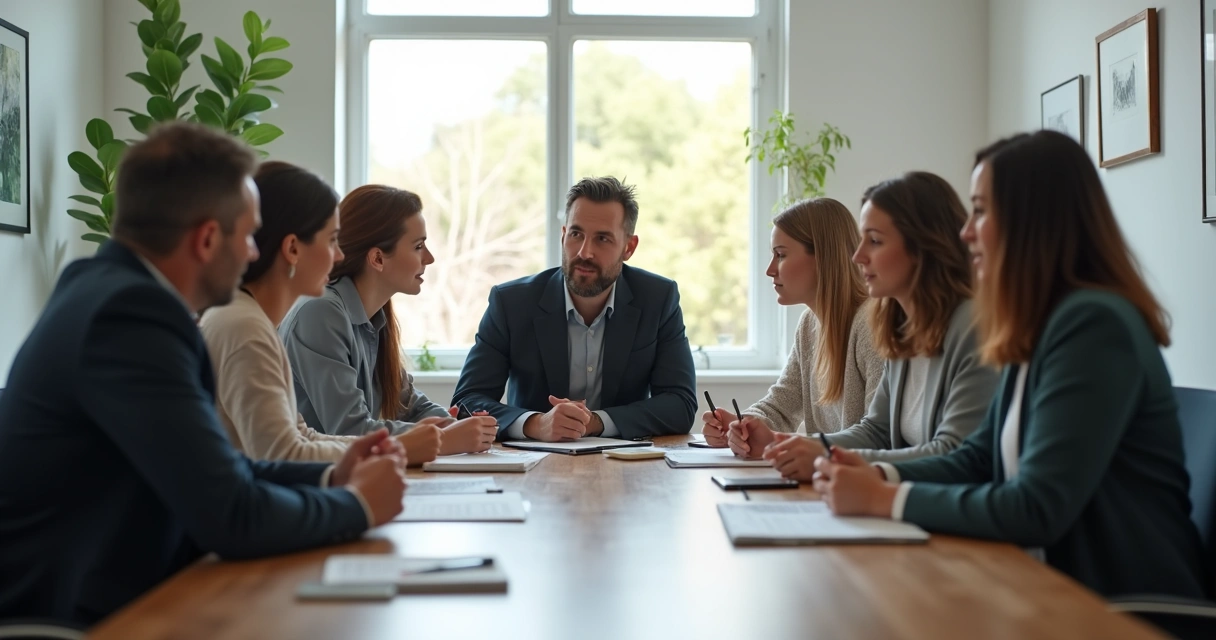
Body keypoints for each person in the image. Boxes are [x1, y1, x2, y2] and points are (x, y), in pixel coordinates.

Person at [0, 123, 406, 624]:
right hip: (85, 618)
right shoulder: (129, 317)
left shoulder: (113, 292)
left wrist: (331, 475)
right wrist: (359, 506)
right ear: (209, 238)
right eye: (248, 235)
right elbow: (231, 514)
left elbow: (220, 470)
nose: (256, 252)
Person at [810, 130, 1208, 599]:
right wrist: (877, 474)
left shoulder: (1094, 325)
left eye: (980, 211)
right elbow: (977, 457)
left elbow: (1037, 507)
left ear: (1031, 219)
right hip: (1041, 582)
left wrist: (887, 498)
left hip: (1117, 604)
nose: (966, 231)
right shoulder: (1039, 324)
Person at [200, 163, 480, 465]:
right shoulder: (246, 327)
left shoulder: (252, 321)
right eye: (332, 240)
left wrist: (424, 438)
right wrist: (406, 447)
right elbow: (284, 454)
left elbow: (300, 438)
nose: (340, 255)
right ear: (293, 249)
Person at [746, 172, 999, 474]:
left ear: (923, 247)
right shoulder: (899, 324)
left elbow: (955, 453)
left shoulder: (972, 327)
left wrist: (825, 458)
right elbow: (876, 431)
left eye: (875, 241)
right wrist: (789, 444)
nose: (857, 256)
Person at [451, 176, 697, 441]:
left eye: (602, 239)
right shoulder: (511, 303)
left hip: (625, 465)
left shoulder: (658, 299)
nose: (584, 252)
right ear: (563, 234)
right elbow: (466, 402)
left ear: (629, 247)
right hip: (533, 467)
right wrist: (535, 424)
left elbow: (680, 404)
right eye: (576, 234)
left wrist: (595, 422)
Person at [279, 185, 497, 457]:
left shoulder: (374, 316)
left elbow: (410, 404)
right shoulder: (321, 313)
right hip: (318, 482)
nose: (429, 258)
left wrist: (454, 425)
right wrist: (442, 438)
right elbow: (350, 429)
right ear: (378, 258)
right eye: (418, 246)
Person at [700, 198, 883, 447]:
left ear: (823, 257)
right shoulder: (810, 324)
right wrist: (743, 425)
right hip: (825, 476)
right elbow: (781, 407)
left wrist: (780, 442)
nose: (770, 269)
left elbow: (880, 435)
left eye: (781, 255)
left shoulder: (872, 324)